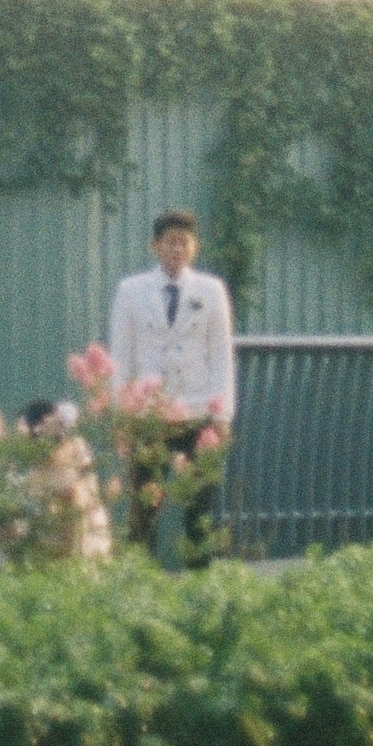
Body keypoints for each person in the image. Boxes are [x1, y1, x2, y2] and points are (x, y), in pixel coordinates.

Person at [104, 210, 236, 556]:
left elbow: (221, 353)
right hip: (149, 414)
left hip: (197, 410)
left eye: (184, 242)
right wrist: (122, 415)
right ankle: (140, 578)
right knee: (146, 503)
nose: (176, 249)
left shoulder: (211, 290)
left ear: (195, 248)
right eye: (169, 242)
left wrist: (222, 415)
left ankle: (198, 580)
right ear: (155, 246)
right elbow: (121, 354)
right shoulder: (131, 290)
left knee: (198, 503)